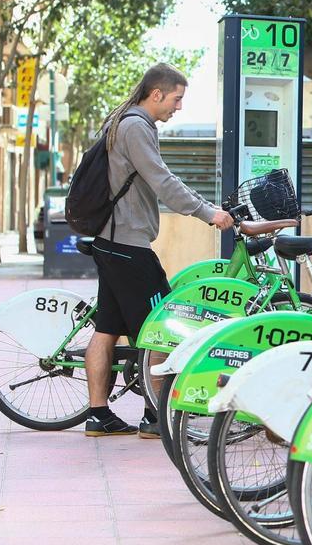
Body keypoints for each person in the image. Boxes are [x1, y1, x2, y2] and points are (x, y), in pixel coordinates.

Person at [84, 63, 235, 437]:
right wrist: (208, 212)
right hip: (127, 245)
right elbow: (163, 181)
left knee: (106, 330)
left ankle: (98, 415)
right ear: (156, 94)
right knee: (164, 329)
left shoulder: (124, 121)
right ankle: (158, 415)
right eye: (176, 98)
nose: (178, 107)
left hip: (112, 241)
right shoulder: (135, 127)